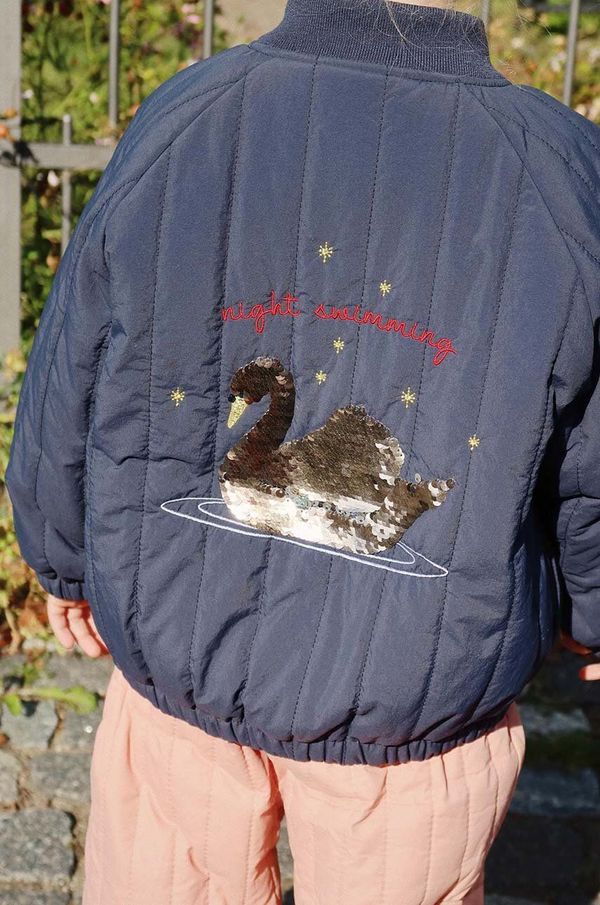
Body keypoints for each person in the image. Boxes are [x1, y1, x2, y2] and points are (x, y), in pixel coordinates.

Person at [6, 0, 600, 901]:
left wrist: (61, 555)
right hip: (415, 693)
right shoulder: (559, 171)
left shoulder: (189, 116)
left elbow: (69, 370)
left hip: (180, 650)